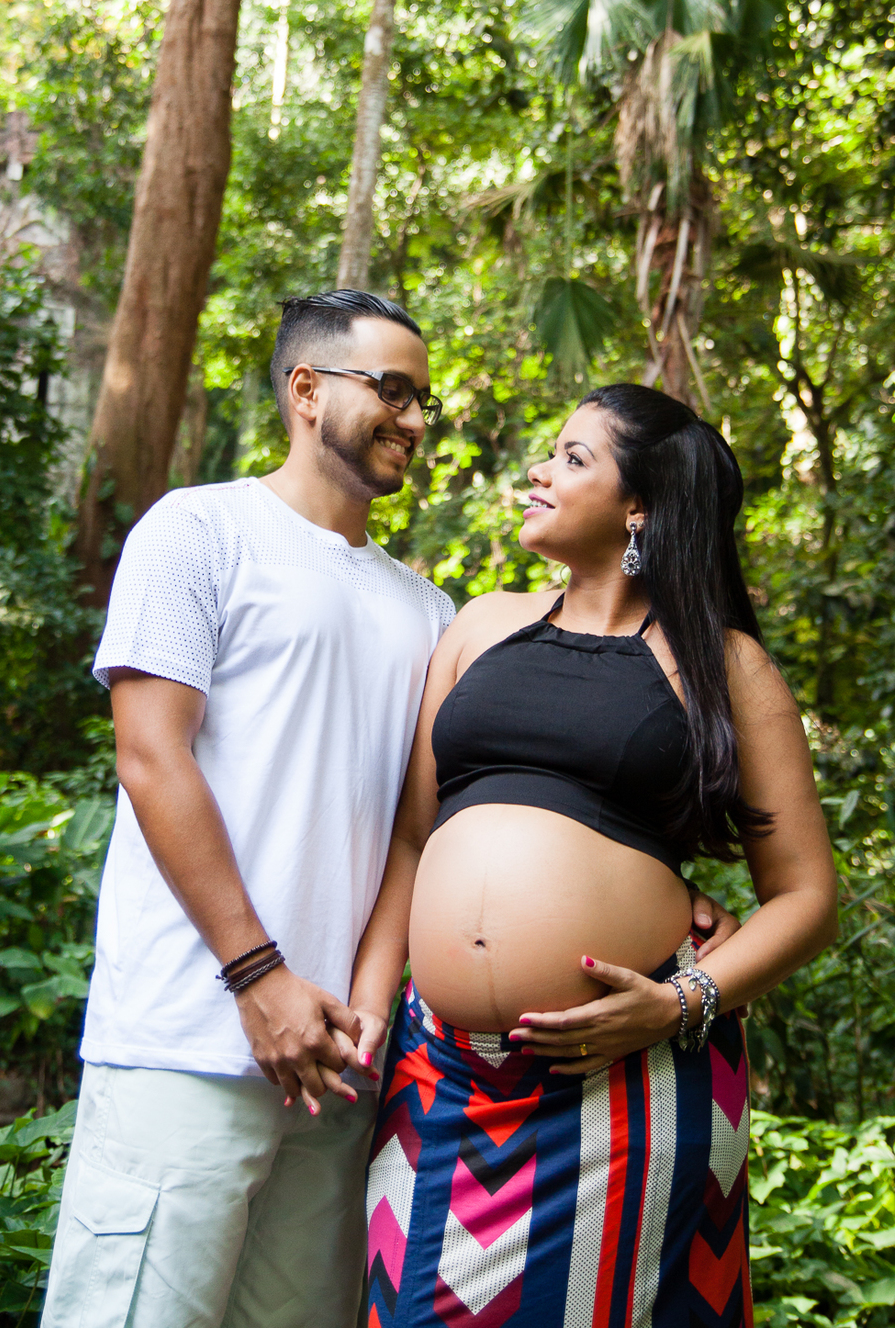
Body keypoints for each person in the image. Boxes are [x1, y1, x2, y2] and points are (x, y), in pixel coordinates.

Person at [41, 311, 737, 1328]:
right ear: (308, 390)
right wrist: (259, 979)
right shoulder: (199, 529)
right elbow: (151, 759)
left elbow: (459, 818)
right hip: (192, 1035)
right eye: (392, 390)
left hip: (349, 1064)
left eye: (424, 399)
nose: (415, 418)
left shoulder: (430, 611)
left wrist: (658, 887)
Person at [348, 383, 838, 1328]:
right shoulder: (482, 627)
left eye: (573, 458)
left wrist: (677, 1002)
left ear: (639, 507)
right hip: (441, 1071)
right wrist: (374, 1006)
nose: (537, 471)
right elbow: (414, 838)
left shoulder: (725, 666)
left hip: (628, 1080)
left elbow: (806, 895)